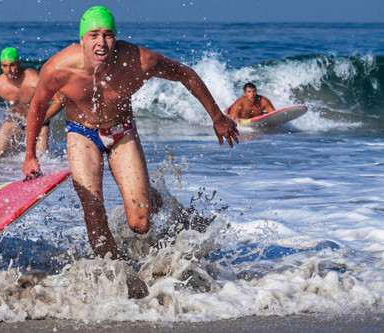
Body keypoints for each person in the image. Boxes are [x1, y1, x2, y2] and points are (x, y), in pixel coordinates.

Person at [22, 6, 239, 260]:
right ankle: (119, 275)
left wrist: (218, 117)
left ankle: (151, 195)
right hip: (82, 134)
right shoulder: (58, 69)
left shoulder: (139, 61)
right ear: (81, 39)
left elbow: (186, 75)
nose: (101, 43)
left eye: (108, 35)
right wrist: (30, 155)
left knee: (140, 224)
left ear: (116, 37)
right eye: (93, 35)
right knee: (93, 210)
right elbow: (37, 108)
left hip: (121, 132)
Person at [0, 47, 65, 158]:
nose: (9, 69)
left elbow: (60, 99)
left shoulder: (34, 80)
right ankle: (13, 169)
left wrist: (41, 119)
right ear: (1, 66)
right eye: (5, 66)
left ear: (19, 63)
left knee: (41, 156)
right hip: (16, 120)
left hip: (39, 121)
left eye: (12, 65)